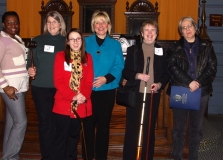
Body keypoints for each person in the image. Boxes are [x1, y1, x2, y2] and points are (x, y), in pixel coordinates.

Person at [166, 16, 217, 160]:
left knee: (196, 129)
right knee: (178, 130)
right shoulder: (174, 47)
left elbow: (212, 68)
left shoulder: (207, 46)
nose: (187, 29)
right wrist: (189, 82)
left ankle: (193, 157)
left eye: (190, 26)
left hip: (201, 92)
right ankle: (177, 156)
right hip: (181, 90)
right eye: (184, 27)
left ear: (195, 27)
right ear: (180, 31)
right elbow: (172, 67)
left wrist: (198, 82)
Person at [122, 20, 170, 160]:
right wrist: (138, 75)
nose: (149, 33)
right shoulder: (133, 50)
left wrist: (159, 84)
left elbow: (166, 74)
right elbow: (126, 72)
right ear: (141, 33)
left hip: (152, 95)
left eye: (152, 30)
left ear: (156, 33)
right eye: (146, 30)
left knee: (149, 129)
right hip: (135, 93)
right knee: (133, 128)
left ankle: (146, 157)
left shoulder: (162, 51)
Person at [82, 10, 125, 160]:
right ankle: (88, 156)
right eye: (97, 22)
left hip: (107, 91)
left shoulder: (115, 45)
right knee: (87, 126)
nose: (101, 25)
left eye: (104, 22)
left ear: (108, 25)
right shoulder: (85, 42)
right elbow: (78, 64)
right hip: (87, 91)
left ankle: (101, 157)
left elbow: (119, 66)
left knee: (103, 128)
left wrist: (105, 79)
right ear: (93, 26)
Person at [0, 11, 28, 160]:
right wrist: (5, 86)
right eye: (9, 23)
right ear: (4, 24)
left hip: (20, 86)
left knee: (12, 124)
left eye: (16, 22)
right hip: (11, 88)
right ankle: (11, 158)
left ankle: (8, 155)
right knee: (21, 122)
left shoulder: (16, 39)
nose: (13, 25)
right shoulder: (0, 40)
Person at [27, 11, 66, 160]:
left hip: (60, 89)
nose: (51, 25)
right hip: (41, 88)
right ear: (45, 24)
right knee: (45, 124)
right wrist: (30, 69)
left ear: (60, 23)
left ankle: (57, 155)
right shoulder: (37, 41)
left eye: (54, 22)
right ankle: (47, 156)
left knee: (58, 124)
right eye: (49, 22)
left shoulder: (66, 41)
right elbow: (29, 63)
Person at [49, 28, 94, 160]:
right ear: (67, 42)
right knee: (59, 141)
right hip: (63, 105)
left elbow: (89, 81)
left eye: (78, 39)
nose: (75, 42)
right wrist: (72, 96)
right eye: (72, 39)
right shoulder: (60, 56)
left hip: (79, 105)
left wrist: (83, 96)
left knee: (73, 140)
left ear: (82, 41)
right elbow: (58, 82)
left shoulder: (87, 58)